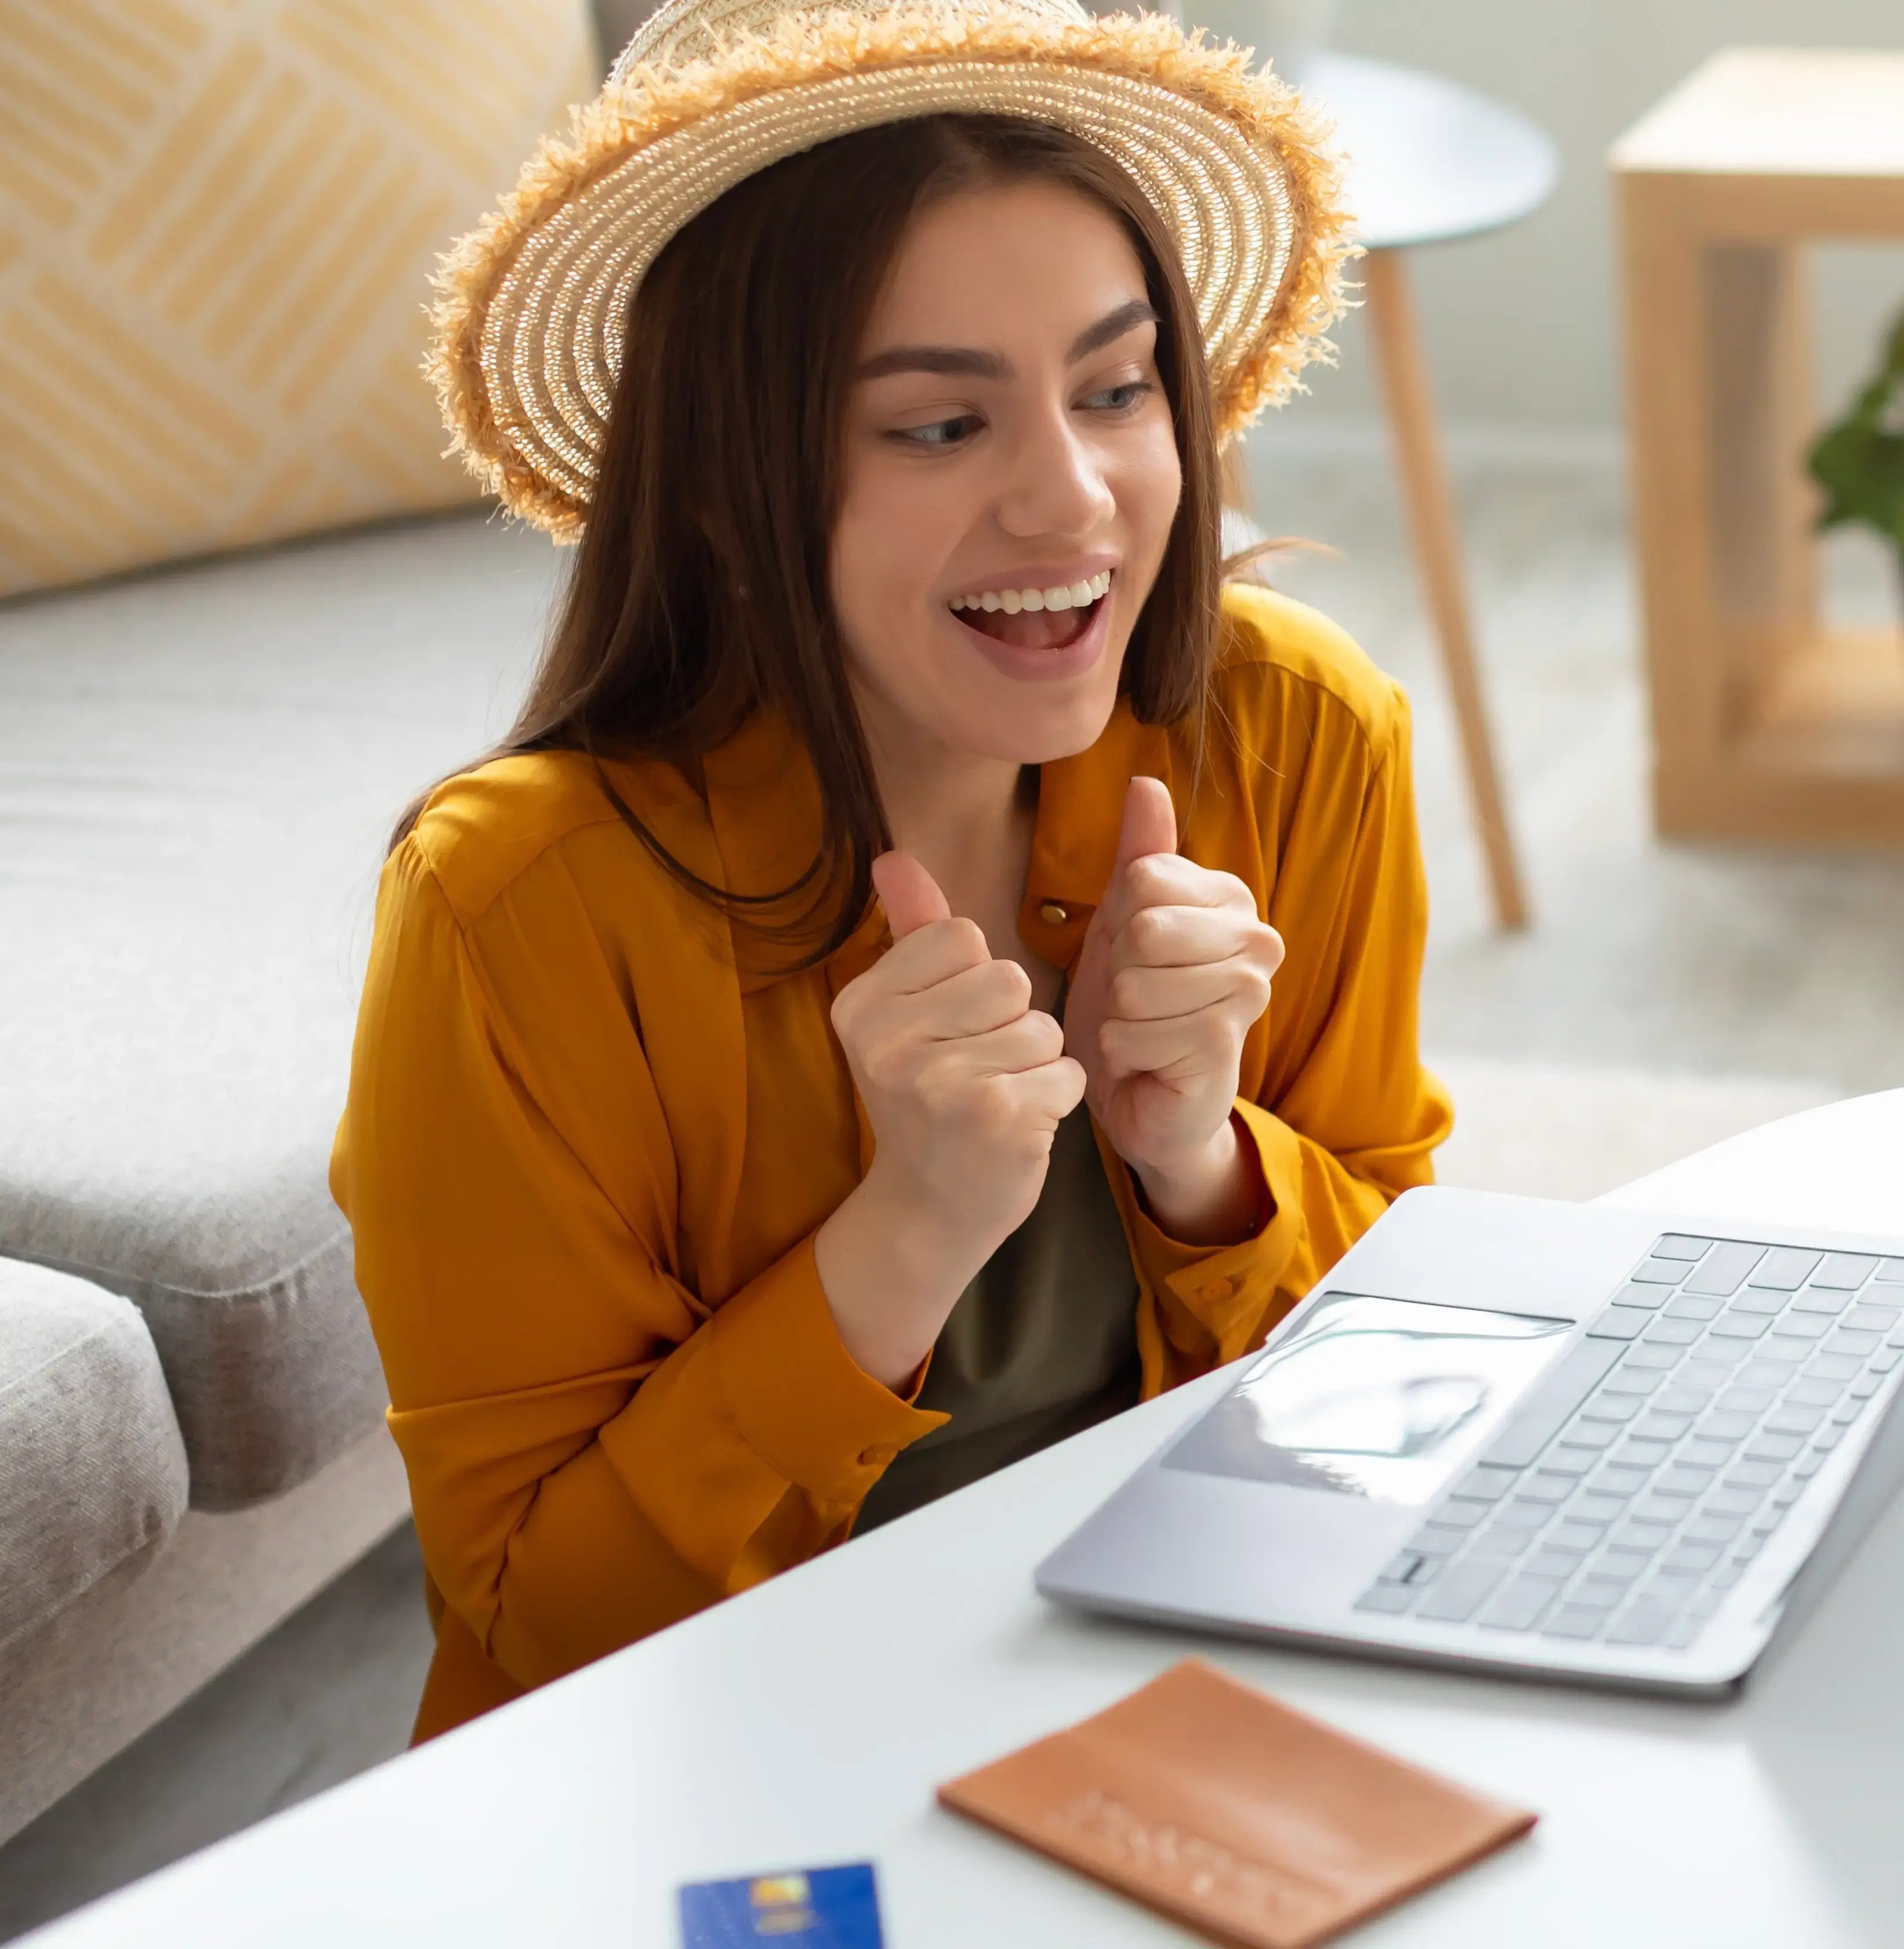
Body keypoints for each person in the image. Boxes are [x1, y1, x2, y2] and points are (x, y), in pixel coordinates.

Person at [332, 0, 1442, 1741]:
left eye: (1117, 387)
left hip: (1216, 1695)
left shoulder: (1297, 735)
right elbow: (538, 1623)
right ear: (721, 487)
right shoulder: (514, 911)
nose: (1071, 503)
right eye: (940, 427)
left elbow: (1427, 1384)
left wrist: (1209, 1169)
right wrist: (904, 1234)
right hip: (724, 1770)